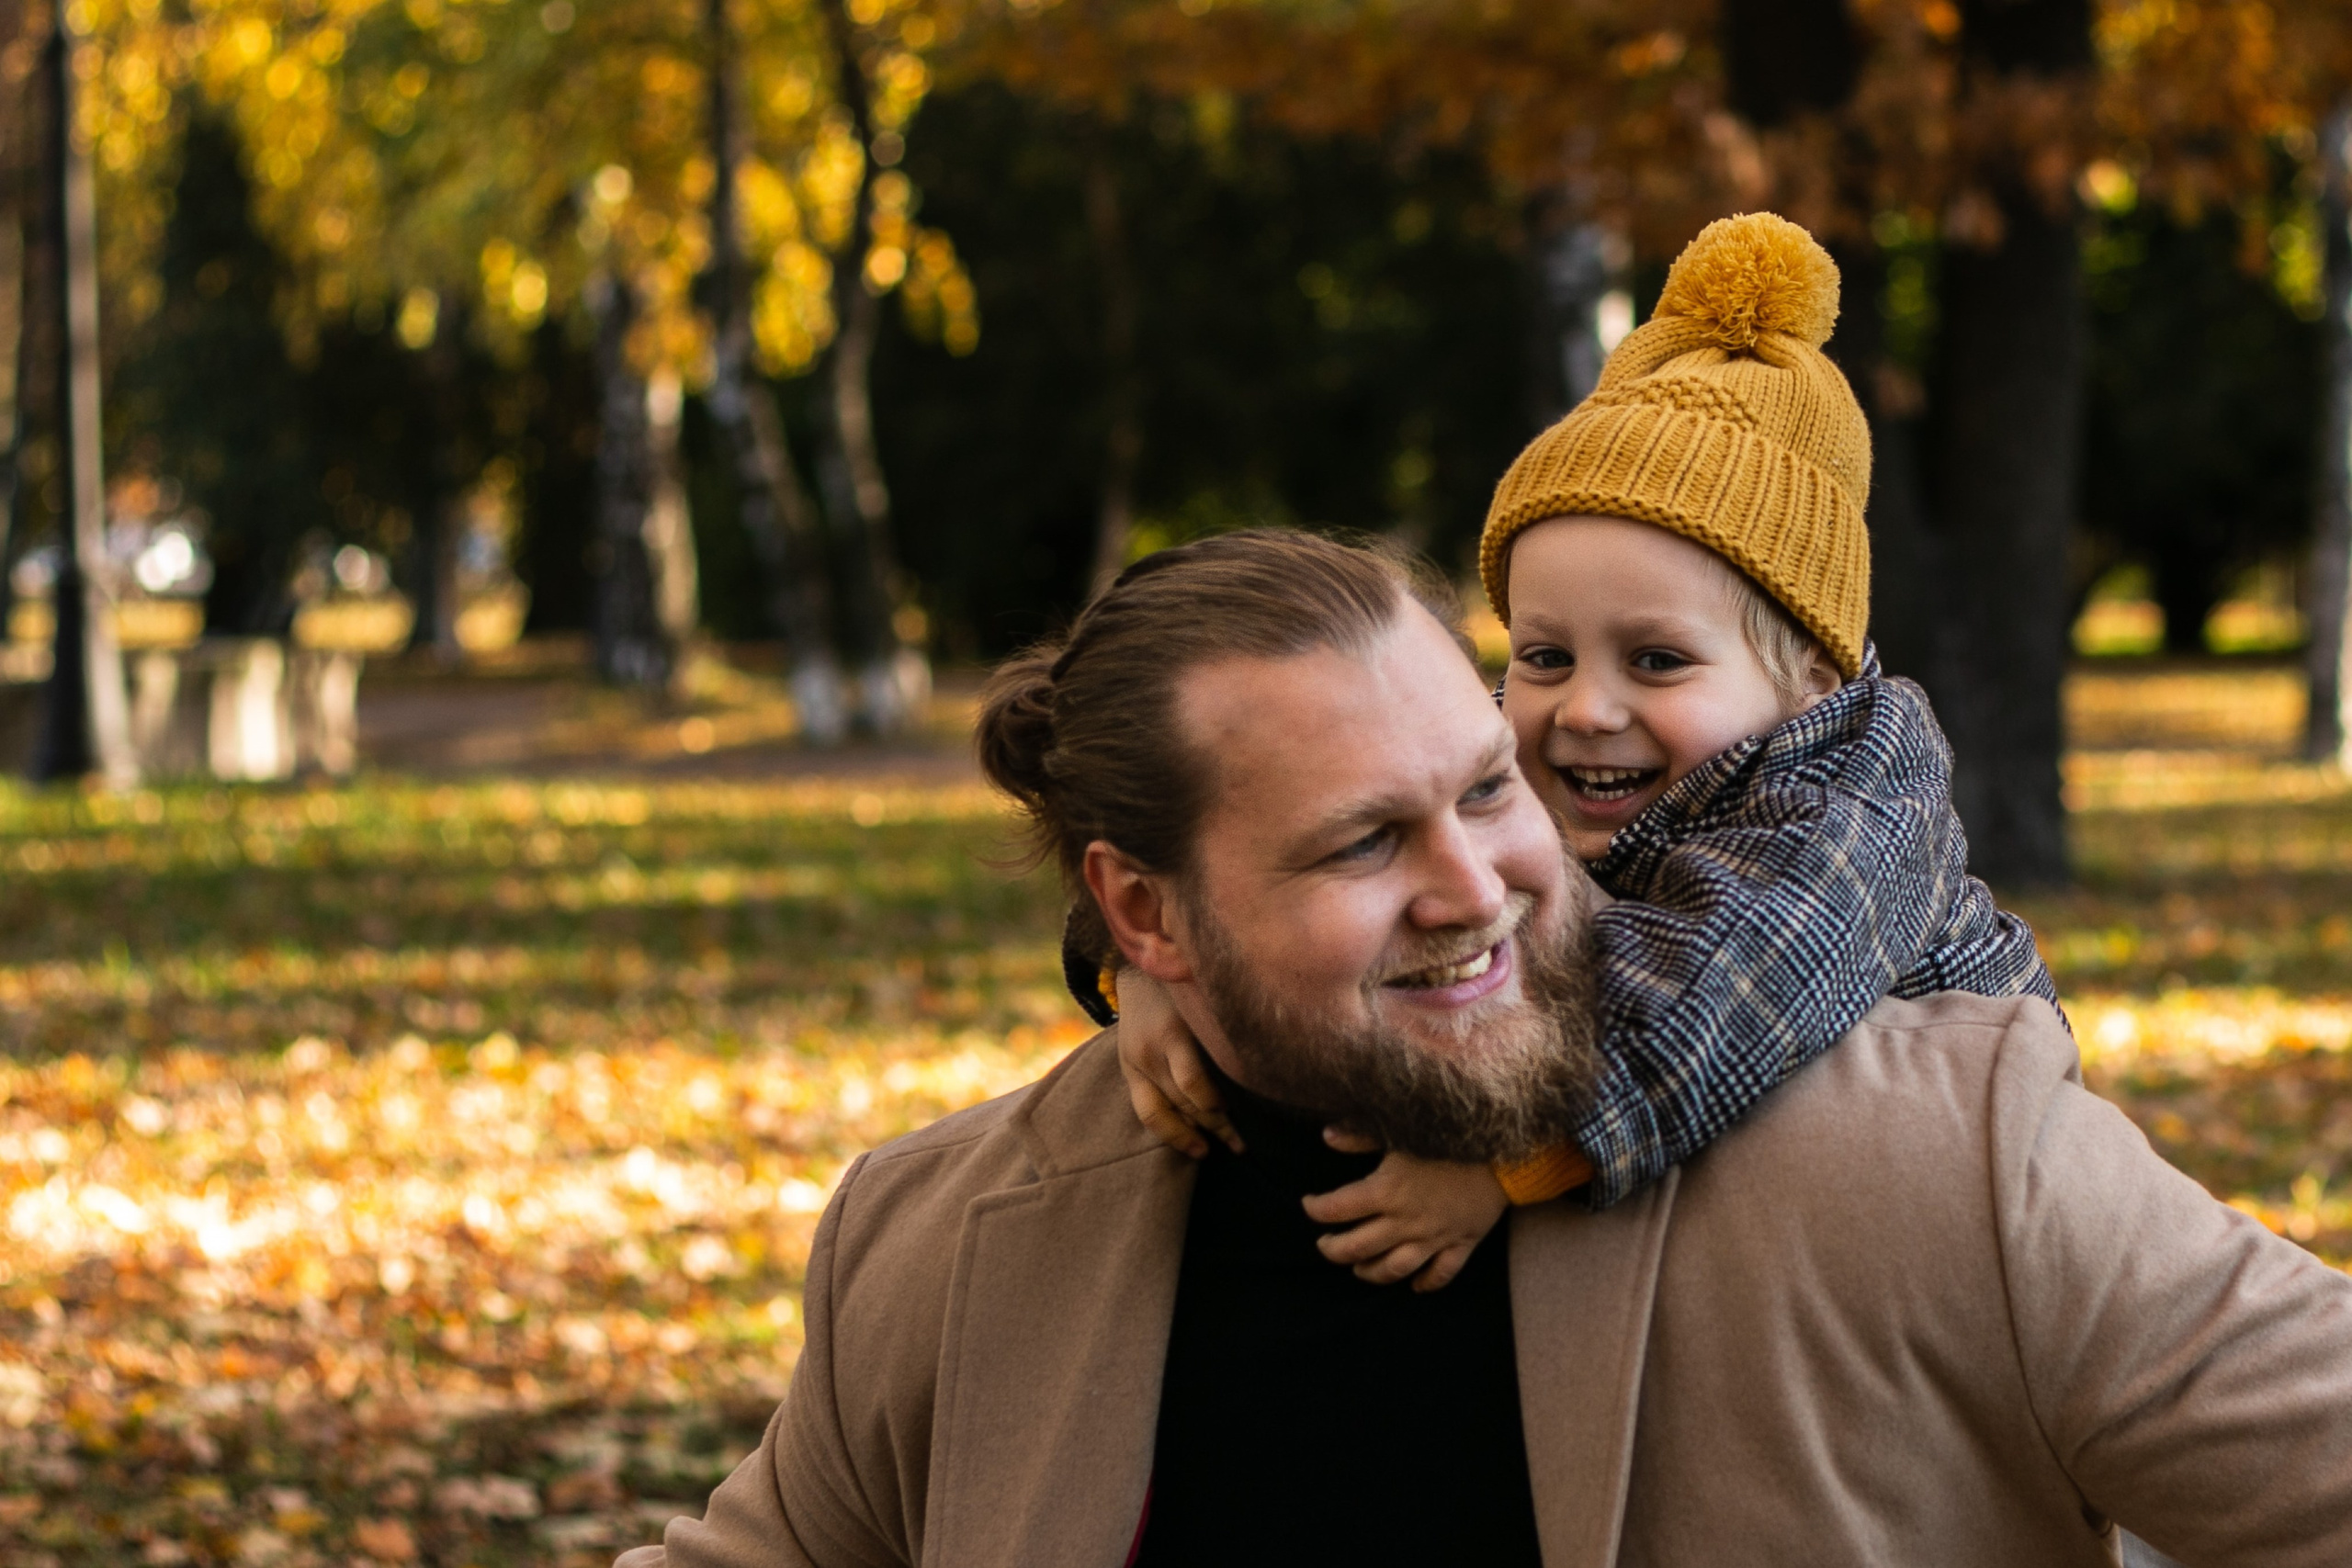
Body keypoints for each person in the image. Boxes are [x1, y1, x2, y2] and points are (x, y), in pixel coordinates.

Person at [616, 530, 2352, 1568]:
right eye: (1366, 842)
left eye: (1486, 790)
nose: (1482, 888)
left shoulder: (1943, 1157)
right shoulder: (947, 1240)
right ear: (1141, 915)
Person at [1094, 212, 2055, 1290]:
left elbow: (1735, 989)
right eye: (1546, 655)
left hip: (1942, 1206)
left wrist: (1512, 1158)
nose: (1585, 709)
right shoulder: (1529, 747)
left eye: (1656, 662)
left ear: (1810, 683)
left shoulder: (1852, 810)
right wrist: (1152, 967)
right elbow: (1278, 824)